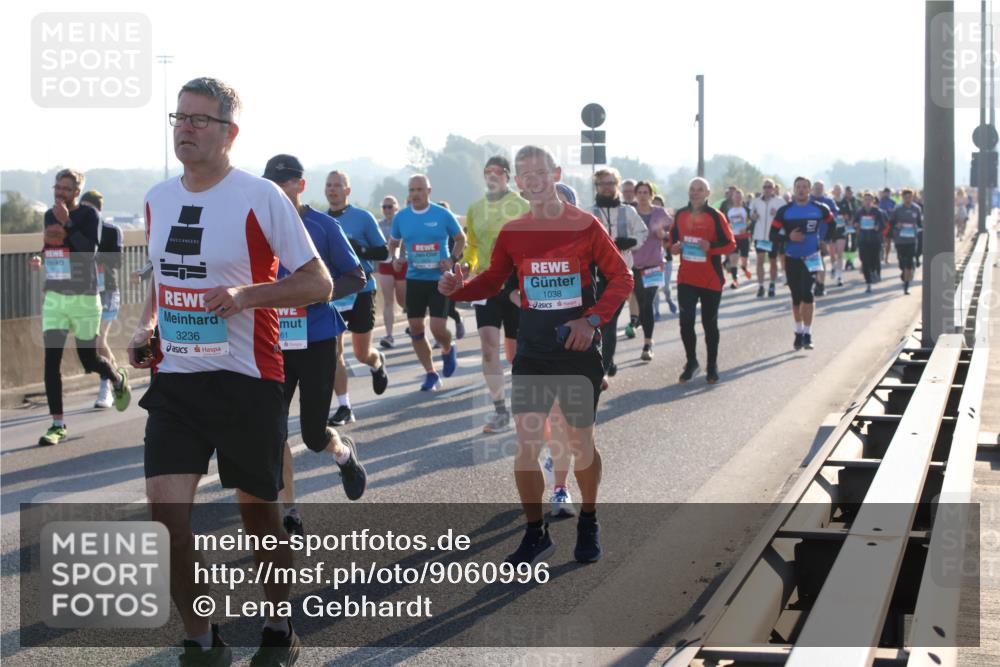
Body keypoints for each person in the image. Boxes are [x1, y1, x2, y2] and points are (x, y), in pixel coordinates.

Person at [129, 77, 333, 666]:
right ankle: (201, 640)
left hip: (248, 378)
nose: (185, 128)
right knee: (166, 518)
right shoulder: (157, 198)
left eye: (200, 120)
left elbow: (316, 282)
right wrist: (148, 329)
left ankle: (277, 626)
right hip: (177, 381)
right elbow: (164, 279)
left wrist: (245, 295)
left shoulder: (259, 195)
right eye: (179, 117)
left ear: (229, 133)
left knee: (260, 520)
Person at [439, 145, 633, 565]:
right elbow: (492, 279)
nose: (532, 179)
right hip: (533, 350)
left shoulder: (585, 225)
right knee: (527, 443)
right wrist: (460, 290)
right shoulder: (514, 231)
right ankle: (535, 532)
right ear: (517, 182)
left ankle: (588, 519)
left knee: (581, 442)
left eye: (539, 171)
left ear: (555, 172)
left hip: (577, 350)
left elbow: (622, 277)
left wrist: (592, 321)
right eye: (524, 174)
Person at [262, 155, 369, 539]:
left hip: (319, 339)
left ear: (300, 185)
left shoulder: (322, 226)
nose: (276, 190)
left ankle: (342, 454)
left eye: (284, 183)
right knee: (274, 431)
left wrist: (318, 294)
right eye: (270, 184)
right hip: (273, 342)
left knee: (311, 433)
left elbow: (356, 275)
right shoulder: (259, 228)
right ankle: (290, 511)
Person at [30, 170, 131, 446]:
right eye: (57, 187)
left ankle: (116, 377)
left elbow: (89, 251)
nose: (59, 192)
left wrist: (69, 222)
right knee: (51, 362)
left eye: (66, 189)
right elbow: (49, 243)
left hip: (85, 298)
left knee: (89, 360)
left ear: (76, 192)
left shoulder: (89, 217)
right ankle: (57, 424)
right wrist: (39, 257)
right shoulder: (49, 215)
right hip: (55, 298)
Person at [465, 156, 530, 432]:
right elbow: (472, 246)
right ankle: (500, 410)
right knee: (489, 348)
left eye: (497, 172)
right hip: (487, 283)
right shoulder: (475, 208)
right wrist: (466, 266)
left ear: (506, 175)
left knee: (516, 354)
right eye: (486, 172)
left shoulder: (522, 205)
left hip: (516, 283)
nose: (491, 176)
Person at [323, 170, 390, 425]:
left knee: (361, 353)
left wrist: (358, 248)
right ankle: (344, 406)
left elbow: (383, 252)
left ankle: (377, 362)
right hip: (333, 292)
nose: (332, 190)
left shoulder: (363, 218)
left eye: (338, 186)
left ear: (347, 190)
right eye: (329, 186)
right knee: (335, 351)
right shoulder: (321, 220)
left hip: (361, 290)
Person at [387, 175, 465, 391]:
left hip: (440, 279)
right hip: (415, 278)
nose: (415, 194)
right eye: (412, 190)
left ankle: (448, 347)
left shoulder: (441, 214)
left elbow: (461, 239)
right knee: (416, 328)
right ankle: (431, 373)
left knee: (438, 328)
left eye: (420, 189)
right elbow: (393, 243)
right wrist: (395, 258)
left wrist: (451, 260)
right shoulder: (401, 217)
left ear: (429, 191)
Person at [666, 177, 736, 383]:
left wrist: (711, 248)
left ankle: (712, 365)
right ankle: (691, 362)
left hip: (711, 280)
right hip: (686, 278)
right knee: (685, 322)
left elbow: (730, 244)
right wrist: (674, 248)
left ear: (708, 193)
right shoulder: (680, 214)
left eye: (699, 189)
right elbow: (672, 241)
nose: (695, 192)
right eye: (692, 189)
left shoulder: (716, 216)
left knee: (709, 323)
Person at [591, 167, 647, 383]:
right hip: (596, 276)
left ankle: (603, 369)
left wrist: (631, 242)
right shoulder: (589, 213)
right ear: (596, 186)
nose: (607, 187)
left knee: (610, 323)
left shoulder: (628, 212)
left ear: (617, 185)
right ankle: (605, 360)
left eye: (611, 183)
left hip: (621, 275)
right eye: (603, 183)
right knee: (598, 323)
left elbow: (642, 233)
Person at [771, 176, 835, 350]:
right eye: (798, 187)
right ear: (794, 189)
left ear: (809, 190)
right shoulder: (785, 211)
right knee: (796, 297)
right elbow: (772, 235)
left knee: (808, 293)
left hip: (812, 257)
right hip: (792, 258)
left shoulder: (820, 208)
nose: (801, 190)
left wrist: (824, 240)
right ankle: (798, 331)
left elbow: (833, 224)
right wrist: (788, 237)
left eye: (804, 187)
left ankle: (808, 333)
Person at [80, 190, 125, 409]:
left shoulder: (111, 230)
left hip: (107, 290)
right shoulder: (74, 230)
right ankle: (117, 378)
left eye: (90, 208)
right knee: (93, 345)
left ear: (98, 210)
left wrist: (91, 254)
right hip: (84, 292)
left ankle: (106, 388)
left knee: (99, 341)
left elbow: (116, 262)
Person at [631, 181, 670, 360]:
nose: (643, 195)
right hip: (636, 264)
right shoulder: (630, 212)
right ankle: (646, 337)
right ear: (635, 194)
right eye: (639, 192)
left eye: (646, 192)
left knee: (648, 302)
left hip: (654, 264)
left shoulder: (659, 212)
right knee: (642, 302)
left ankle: (647, 343)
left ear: (651, 195)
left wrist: (664, 234)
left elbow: (671, 232)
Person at [376, 195, 407, 349]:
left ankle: (413, 319)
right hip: (385, 265)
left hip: (402, 264)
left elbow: (408, 242)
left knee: (402, 301)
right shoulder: (378, 225)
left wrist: (402, 258)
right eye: (385, 207)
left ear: (396, 208)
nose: (387, 210)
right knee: (388, 301)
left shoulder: (403, 222)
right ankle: (389, 336)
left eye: (390, 206)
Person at [749, 179, 784, 298]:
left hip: (772, 236)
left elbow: (785, 217)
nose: (767, 189)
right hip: (759, 236)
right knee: (760, 261)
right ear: (762, 188)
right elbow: (751, 214)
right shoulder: (756, 201)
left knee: (773, 261)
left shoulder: (780, 202)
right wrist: (753, 216)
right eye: (765, 187)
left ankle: (772, 284)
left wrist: (777, 214)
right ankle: (760, 286)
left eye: (769, 187)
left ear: (774, 188)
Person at [887, 188, 922, 295]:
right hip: (900, 240)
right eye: (906, 197)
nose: (908, 199)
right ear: (902, 198)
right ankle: (904, 272)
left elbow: (920, 223)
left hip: (912, 239)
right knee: (902, 262)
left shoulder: (916, 209)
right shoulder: (897, 209)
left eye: (910, 197)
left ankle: (906, 286)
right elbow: (891, 222)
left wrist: (917, 227)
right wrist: (896, 225)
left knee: (909, 262)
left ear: (912, 197)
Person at [853, 191, 889, 293]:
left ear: (873, 201)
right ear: (863, 201)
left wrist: (879, 227)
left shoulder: (878, 212)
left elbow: (884, 224)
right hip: (863, 239)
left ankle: (875, 272)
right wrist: (856, 225)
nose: (867, 201)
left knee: (874, 259)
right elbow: (854, 222)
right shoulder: (859, 212)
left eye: (869, 199)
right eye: (865, 199)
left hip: (875, 240)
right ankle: (868, 282)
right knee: (864, 260)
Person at [809, 180, 839, 296]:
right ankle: (815, 280)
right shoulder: (808, 201)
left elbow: (835, 215)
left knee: (820, 259)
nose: (818, 190)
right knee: (811, 259)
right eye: (816, 188)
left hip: (823, 234)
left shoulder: (828, 201)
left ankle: (820, 284)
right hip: (809, 235)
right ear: (812, 189)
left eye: (820, 188)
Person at [652, 194, 678, 316]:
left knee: (666, 287)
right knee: (655, 287)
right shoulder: (647, 219)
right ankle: (656, 311)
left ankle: (668, 299)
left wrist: (664, 237)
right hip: (653, 261)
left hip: (666, 259)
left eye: (658, 203)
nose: (656, 205)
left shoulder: (667, 220)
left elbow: (673, 236)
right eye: (654, 203)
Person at [725, 189, 752, 289]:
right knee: (733, 260)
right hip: (734, 238)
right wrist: (729, 229)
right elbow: (726, 224)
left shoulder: (746, 209)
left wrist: (747, 228)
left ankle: (744, 268)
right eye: (736, 197)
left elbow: (752, 221)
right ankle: (735, 281)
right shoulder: (729, 211)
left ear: (742, 198)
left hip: (744, 238)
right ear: (732, 198)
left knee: (744, 260)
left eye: (739, 197)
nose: (737, 199)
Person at [839, 185, 861, 271]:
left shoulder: (857, 201)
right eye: (848, 192)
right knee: (846, 244)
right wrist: (844, 217)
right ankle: (847, 260)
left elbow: (859, 212)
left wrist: (855, 221)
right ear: (845, 193)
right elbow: (839, 213)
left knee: (854, 244)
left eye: (851, 192)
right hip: (844, 226)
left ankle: (851, 261)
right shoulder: (841, 202)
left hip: (854, 226)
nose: (849, 194)